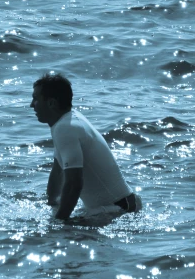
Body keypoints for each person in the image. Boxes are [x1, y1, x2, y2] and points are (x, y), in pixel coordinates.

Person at [30, 73, 141, 220]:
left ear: (51, 103)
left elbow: (74, 183)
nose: (31, 105)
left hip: (119, 211)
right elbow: (58, 171)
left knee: (54, 235)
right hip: (122, 205)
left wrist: (59, 222)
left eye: (36, 99)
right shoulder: (66, 121)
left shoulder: (65, 128)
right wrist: (51, 204)